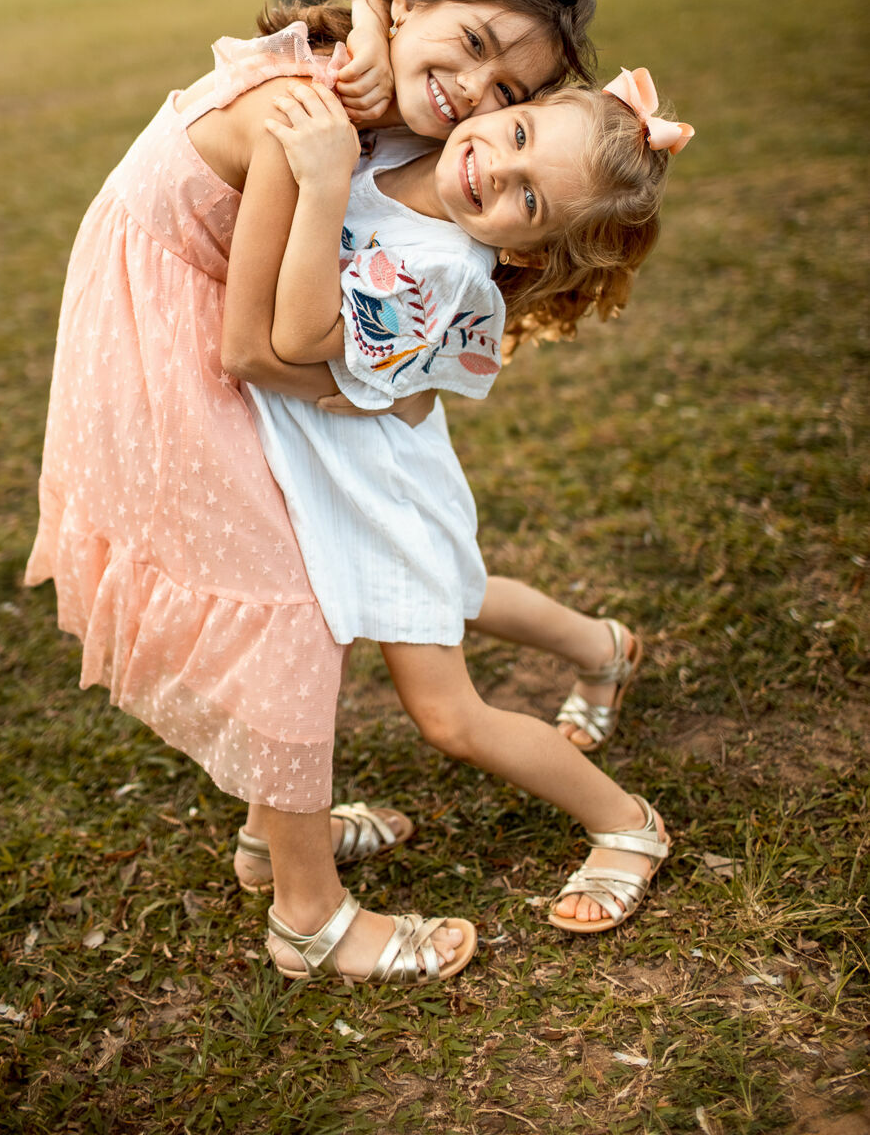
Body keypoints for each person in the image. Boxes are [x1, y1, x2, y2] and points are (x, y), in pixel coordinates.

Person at [25, 0, 597, 985]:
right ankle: (310, 915)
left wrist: (382, 17)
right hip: (176, 326)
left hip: (200, 299)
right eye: (469, 46)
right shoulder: (319, 122)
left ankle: (267, 834)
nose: (470, 91)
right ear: (418, 5)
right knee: (289, 598)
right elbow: (252, 349)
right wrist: (363, 393)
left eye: (506, 89)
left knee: (294, 567)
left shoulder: (373, 74)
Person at [236, 53, 691, 968]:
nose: (495, 167)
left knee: (448, 716)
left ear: (525, 249)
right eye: (517, 135)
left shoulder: (444, 266)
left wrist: (322, 183)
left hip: (385, 497)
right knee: (466, 592)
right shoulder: (403, 150)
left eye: (527, 199)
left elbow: (291, 338)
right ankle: (602, 647)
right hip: (359, 478)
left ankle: (627, 822)